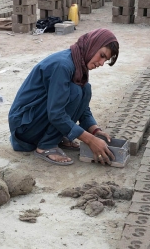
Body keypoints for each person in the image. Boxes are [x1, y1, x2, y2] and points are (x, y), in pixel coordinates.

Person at [8, 28, 119, 166]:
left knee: (85, 89)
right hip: (24, 126)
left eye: (105, 60)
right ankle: (46, 146)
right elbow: (56, 113)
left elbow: (82, 107)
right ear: (92, 45)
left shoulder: (78, 65)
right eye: (102, 55)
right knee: (75, 92)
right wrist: (90, 140)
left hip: (37, 119)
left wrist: (94, 130)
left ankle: (58, 135)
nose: (101, 63)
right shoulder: (63, 65)